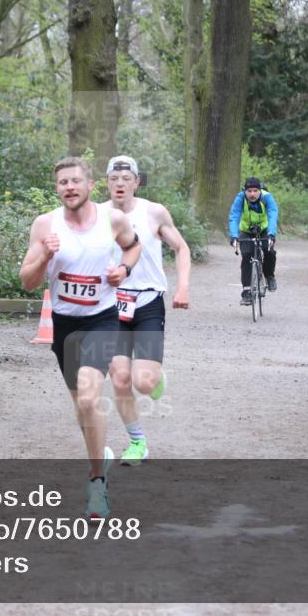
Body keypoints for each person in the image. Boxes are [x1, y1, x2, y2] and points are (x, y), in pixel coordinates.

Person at [20, 156, 141, 518]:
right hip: (65, 324)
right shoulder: (45, 225)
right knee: (82, 405)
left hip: (102, 319)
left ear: (90, 186)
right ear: (57, 189)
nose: (69, 187)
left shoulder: (112, 220)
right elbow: (27, 281)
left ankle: (96, 485)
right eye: (62, 183)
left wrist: (124, 268)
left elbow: (133, 246)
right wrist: (44, 254)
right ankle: (98, 449)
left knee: (90, 398)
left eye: (76, 181)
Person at [100, 155, 191, 467]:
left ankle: (155, 377)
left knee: (144, 382)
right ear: (107, 183)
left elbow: (181, 248)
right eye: (114, 179)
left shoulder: (154, 212)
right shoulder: (97, 215)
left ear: (137, 182)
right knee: (120, 378)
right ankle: (137, 442)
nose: (120, 184)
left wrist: (182, 287)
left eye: (127, 179)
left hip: (148, 301)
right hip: (112, 305)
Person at [228, 176, 278, 305]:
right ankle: (246, 292)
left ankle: (270, 276)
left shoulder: (267, 197)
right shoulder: (240, 198)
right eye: (249, 191)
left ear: (260, 190)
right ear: (245, 191)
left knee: (269, 252)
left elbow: (273, 214)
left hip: (264, 229)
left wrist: (272, 234)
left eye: (255, 191)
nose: (252, 194)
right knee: (246, 256)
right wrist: (234, 236)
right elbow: (234, 216)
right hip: (246, 230)